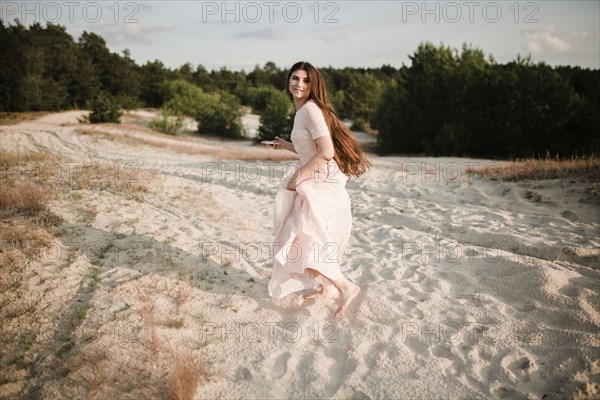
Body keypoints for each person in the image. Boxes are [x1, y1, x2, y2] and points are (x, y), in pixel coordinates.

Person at [266, 61, 371, 317]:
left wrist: (297, 177)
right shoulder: (302, 110)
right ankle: (328, 288)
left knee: (303, 239)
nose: (298, 84)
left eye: (305, 80)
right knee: (302, 239)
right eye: (294, 78)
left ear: (313, 85)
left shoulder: (310, 110)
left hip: (320, 185)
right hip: (313, 183)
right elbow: (309, 149)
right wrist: (286, 145)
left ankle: (346, 287)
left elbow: (326, 152)